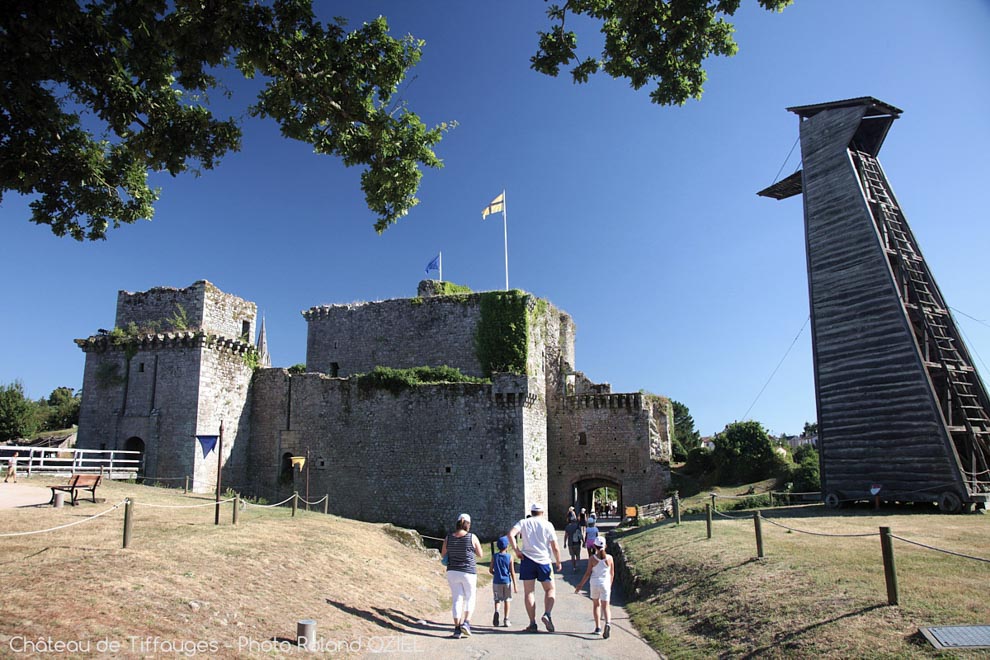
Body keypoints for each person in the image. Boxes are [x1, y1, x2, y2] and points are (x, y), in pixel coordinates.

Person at [507, 503, 563, 633]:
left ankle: (532, 623)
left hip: (527, 560)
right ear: (542, 513)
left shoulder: (524, 522)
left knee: (529, 592)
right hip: (544, 561)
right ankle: (547, 614)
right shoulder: (548, 525)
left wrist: (516, 550)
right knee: (550, 589)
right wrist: (558, 562)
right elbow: (555, 546)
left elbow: (510, 534)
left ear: (531, 512)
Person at [441, 513, 484, 638]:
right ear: (468, 525)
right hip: (468, 572)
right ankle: (466, 622)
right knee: (470, 597)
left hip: (452, 571)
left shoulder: (448, 537)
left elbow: (443, 554)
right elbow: (480, 554)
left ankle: (457, 628)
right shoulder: (472, 537)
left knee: (457, 599)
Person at [574, 536, 615, 638]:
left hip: (594, 583)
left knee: (596, 605)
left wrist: (580, 585)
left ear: (594, 546)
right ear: (605, 546)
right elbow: (612, 573)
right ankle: (608, 623)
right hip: (605, 583)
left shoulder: (592, 558)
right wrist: (609, 585)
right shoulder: (609, 558)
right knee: (606, 606)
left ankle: (598, 628)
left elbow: (588, 573)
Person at [488, 535, 517, 627]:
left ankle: (496, 611)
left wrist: (495, 574)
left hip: (496, 581)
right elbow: (512, 572)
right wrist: (515, 585)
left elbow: (490, 570)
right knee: (507, 600)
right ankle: (506, 619)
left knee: (497, 599)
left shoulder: (495, 556)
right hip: (506, 581)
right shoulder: (509, 557)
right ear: (507, 546)